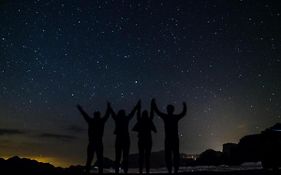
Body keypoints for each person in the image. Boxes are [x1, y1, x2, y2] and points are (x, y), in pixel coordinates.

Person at [152, 99, 186, 174]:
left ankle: (170, 170)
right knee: (175, 155)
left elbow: (157, 112)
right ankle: (174, 170)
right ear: (173, 110)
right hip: (174, 139)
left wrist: (154, 104)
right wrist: (184, 106)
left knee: (169, 156)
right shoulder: (174, 117)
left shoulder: (166, 117)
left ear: (168, 110)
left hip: (169, 139)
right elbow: (183, 113)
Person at [77, 103, 110, 174]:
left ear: (94, 115)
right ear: (99, 115)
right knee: (99, 159)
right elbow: (107, 115)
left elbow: (85, 115)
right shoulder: (101, 121)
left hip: (92, 142)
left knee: (90, 159)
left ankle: (88, 171)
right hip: (98, 142)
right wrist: (108, 107)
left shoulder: (91, 121)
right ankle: (99, 172)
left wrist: (81, 109)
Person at [108, 100, 140, 174]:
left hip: (119, 138)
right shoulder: (126, 119)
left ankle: (117, 171)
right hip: (126, 138)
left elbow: (112, 113)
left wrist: (109, 107)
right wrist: (136, 107)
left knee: (118, 156)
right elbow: (132, 113)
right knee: (125, 156)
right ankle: (125, 171)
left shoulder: (117, 119)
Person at [133, 100, 157, 174]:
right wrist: (152, 106)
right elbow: (152, 115)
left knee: (141, 156)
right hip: (148, 140)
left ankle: (141, 171)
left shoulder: (140, 120)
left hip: (141, 140)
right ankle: (147, 171)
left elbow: (138, 114)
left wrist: (138, 106)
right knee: (147, 157)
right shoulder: (149, 120)